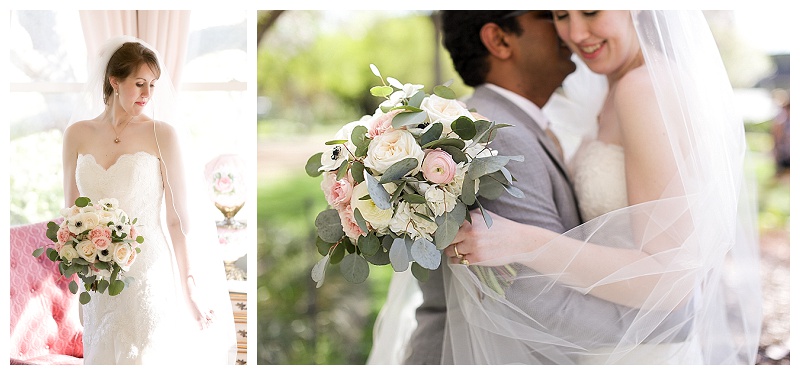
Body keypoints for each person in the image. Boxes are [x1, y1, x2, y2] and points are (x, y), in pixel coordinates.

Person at [441, 10, 762, 364]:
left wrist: (525, 241)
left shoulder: (642, 89)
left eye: (591, 11)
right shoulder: (610, 90)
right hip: (614, 343)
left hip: (640, 353)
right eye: (561, 15)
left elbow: (671, 274)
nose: (576, 33)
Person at [367, 10, 603, 365]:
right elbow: (543, 306)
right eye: (550, 16)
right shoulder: (494, 139)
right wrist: (666, 318)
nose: (566, 30)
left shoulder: (497, 124)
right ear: (500, 40)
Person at [62, 36, 237, 364]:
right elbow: (72, 214)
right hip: (98, 274)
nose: (147, 94)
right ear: (115, 81)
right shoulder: (76, 134)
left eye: (153, 85)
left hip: (147, 270)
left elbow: (176, 218)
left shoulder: (162, 134)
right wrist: (81, 267)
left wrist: (190, 286)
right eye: (139, 83)